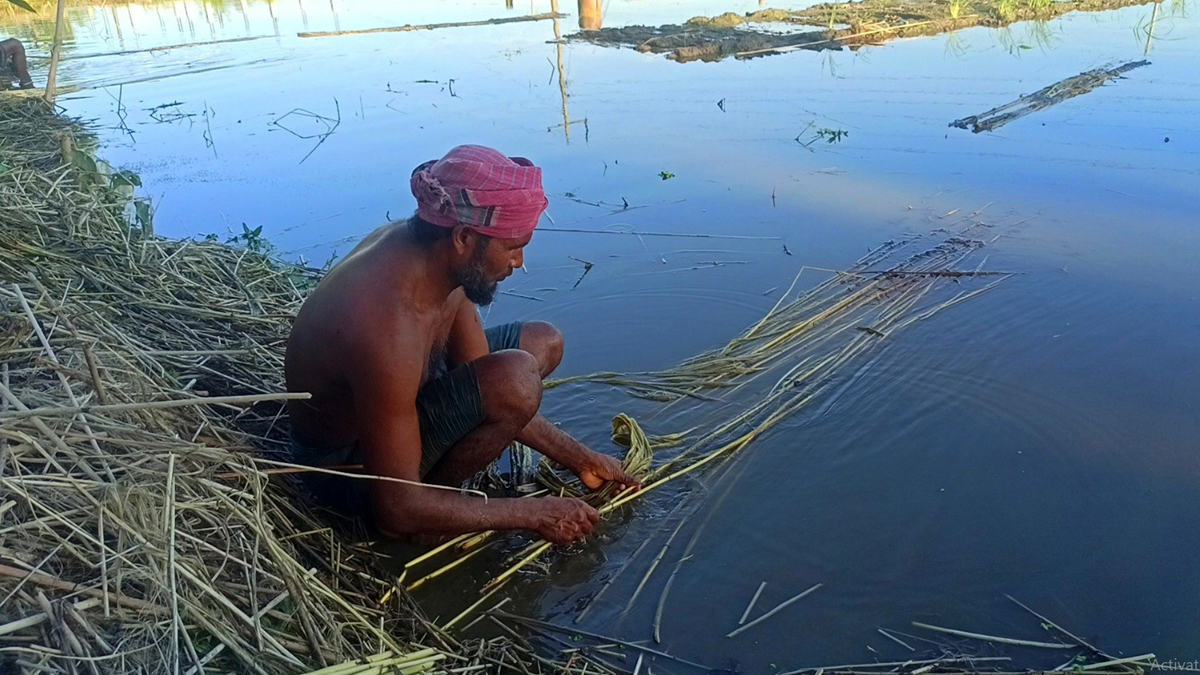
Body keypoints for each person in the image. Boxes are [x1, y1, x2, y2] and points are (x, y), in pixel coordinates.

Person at [285, 145, 641, 547]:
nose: (519, 261)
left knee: (543, 343)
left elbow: (479, 368)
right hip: (351, 469)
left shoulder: (435, 257)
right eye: (511, 247)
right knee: (517, 379)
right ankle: (437, 508)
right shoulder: (386, 326)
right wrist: (533, 513)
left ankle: (445, 494)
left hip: (401, 399)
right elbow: (396, 507)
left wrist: (581, 459)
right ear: (464, 238)